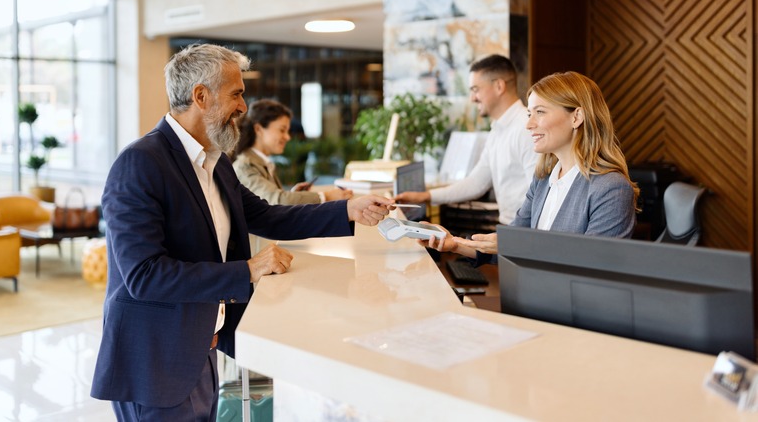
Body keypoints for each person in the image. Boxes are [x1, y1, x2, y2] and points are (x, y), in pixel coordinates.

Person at [90, 43, 392, 421]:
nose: (244, 107)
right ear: (201, 96)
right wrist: (248, 269)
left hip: (201, 346)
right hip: (156, 360)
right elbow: (144, 275)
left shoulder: (214, 161)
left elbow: (269, 216)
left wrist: (349, 209)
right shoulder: (140, 163)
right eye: (236, 93)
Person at [423, 71, 639, 264]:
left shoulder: (611, 188)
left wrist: (516, 245)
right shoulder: (543, 179)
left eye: (540, 112)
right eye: (529, 114)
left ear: (576, 117)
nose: (529, 124)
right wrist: (456, 244)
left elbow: (593, 263)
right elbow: (511, 243)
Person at [395, 54, 538, 225]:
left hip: (520, 234)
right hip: (508, 232)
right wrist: (426, 196)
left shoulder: (526, 128)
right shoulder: (498, 129)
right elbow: (477, 183)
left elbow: (538, 196)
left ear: (499, 86)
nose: (472, 98)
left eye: (475, 89)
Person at [231, 99, 352, 204]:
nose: (287, 137)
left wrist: (294, 195)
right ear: (259, 129)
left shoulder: (261, 162)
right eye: (282, 130)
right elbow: (278, 201)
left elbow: (268, 201)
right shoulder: (245, 167)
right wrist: (326, 196)